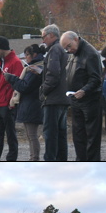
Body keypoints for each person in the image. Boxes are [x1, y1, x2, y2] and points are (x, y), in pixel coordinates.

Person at [61, 31, 103, 161]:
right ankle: (81, 161)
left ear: (76, 39)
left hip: (90, 101)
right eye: (66, 48)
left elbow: (96, 79)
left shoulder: (91, 54)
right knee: (78, 135)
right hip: (76, 100)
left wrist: (84, 90)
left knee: (91, 136)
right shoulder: (73, 54)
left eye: (69, 46)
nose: (68, 50)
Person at [4, 44, 45, 161]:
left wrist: (12, 78)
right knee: (30, 135)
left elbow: (24, 87)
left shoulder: (34, 69)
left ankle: (34, 158)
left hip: (32, 105)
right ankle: (33, 157)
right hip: (31, 104)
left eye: (27, 55)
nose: (25, 58)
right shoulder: (36, 67)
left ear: (34, 55)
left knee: (32, 135)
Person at [39, 24, 69, 161]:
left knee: (50, 134)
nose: (42, 40)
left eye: (43, 37)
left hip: (53, 99)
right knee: (61, 134)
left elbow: (53, 73)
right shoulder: (61, 49)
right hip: (62, 99)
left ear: (51, 35)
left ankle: (50, 161)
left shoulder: (54, 50)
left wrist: (43, 90)